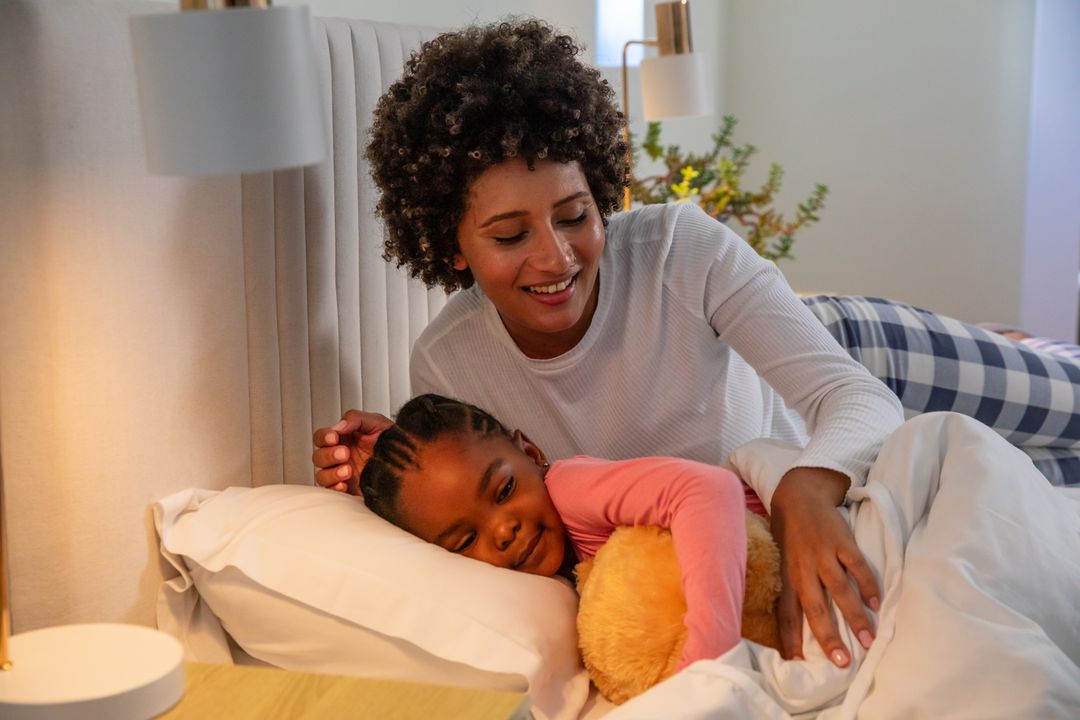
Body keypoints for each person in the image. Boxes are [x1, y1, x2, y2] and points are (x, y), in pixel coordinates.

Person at [311, 18, 1080, 668]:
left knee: (1068, 400)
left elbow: (848, 395)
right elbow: (498, 502)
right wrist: (393, 462)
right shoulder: (447, 362)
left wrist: (805, 491)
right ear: (450, 246)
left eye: (576, 215)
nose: (556, 258)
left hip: (848, 360)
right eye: (510, 235)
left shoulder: (681, 248)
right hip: (777, 495)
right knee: (1048, 495)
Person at [358, 393, 768, 671]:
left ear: (532, 454)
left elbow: (709, 489)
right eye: (465, 541)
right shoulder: (535, 589)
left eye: (504, 489)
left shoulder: (570, 489)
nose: (502, 530)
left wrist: (708, 664)